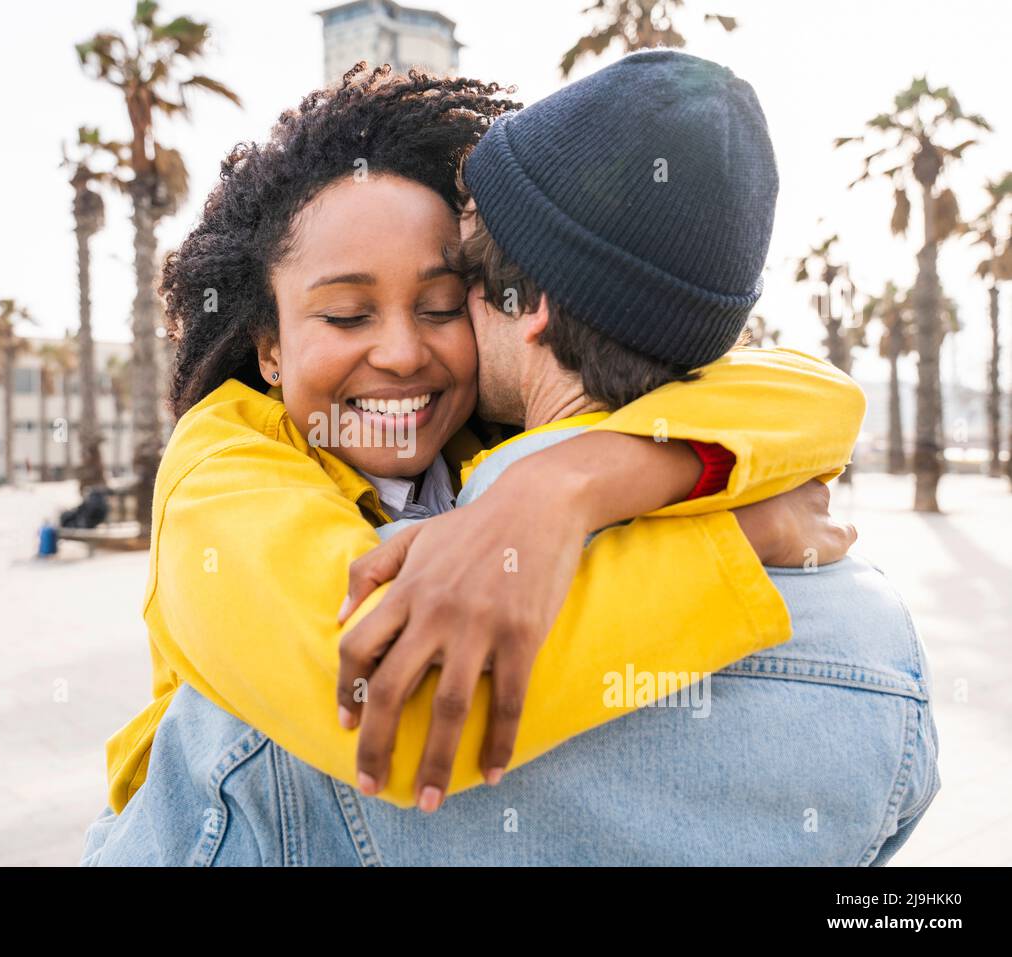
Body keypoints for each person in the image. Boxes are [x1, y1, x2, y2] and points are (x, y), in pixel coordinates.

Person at [83, 56, 931, 866]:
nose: (404, 352)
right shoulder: (224, 461)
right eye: (346, 315)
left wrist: (571, 482)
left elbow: (817, 396)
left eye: (444, 302)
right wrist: (733, 539)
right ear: (269, 349)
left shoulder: (489, 437)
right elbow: (387, 698)